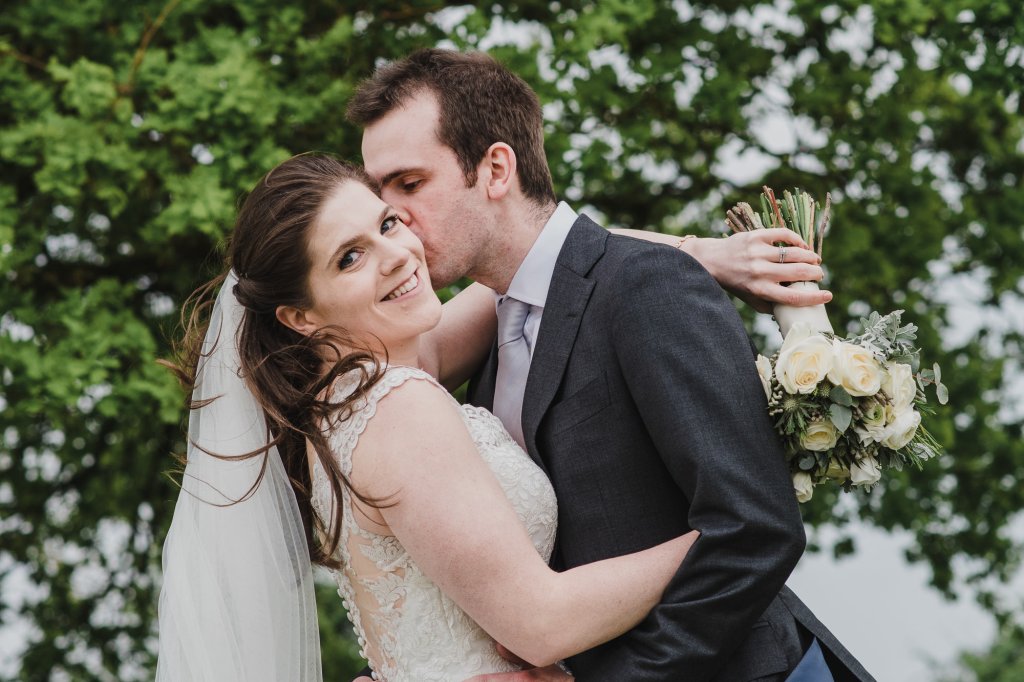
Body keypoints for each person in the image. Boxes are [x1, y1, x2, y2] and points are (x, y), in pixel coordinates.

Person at [345, 48, 875, 681]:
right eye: (380, 192)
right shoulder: (481, 346)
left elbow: (756, 531)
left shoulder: (646, 286)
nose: (393, 218)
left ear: (495, 169)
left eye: (409, 185)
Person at [157, 154, 708, 681]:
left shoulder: (340, 404)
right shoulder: (399, 407)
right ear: (300, 317)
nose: (396, 255)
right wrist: (722, 536)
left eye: (388, 224)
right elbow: (543, 624)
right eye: (350, 258)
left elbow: (558, 260)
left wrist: (699, 253)